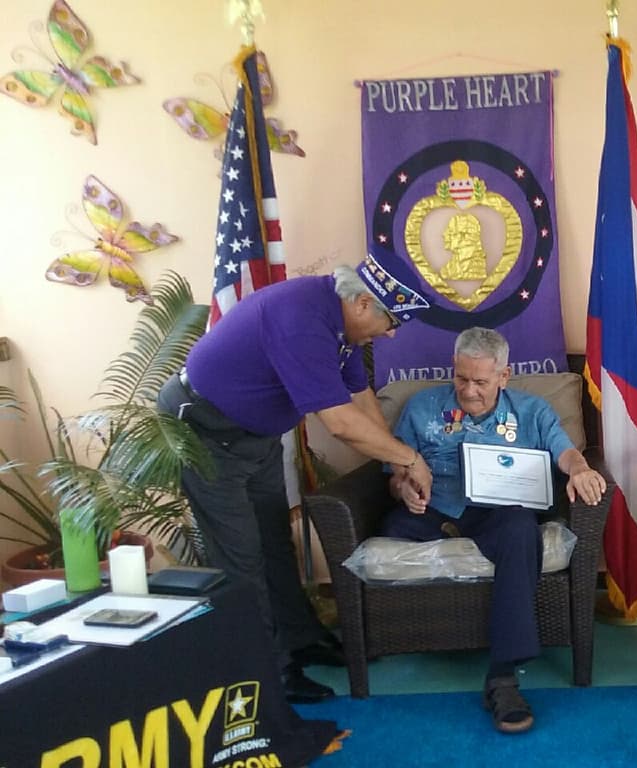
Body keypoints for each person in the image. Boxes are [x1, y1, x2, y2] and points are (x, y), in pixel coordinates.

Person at [156, 252, 436, 703]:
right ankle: (267, 672)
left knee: (274, 542)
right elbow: (340, 423)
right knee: (241, 558)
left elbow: (359, 396)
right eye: (392, 321)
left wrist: (398, 462)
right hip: (205, 433)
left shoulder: (341, 322)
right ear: (363, 303)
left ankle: (300, 639)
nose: (391, 333)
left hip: (256, 437)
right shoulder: (302, 319)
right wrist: (410, 457)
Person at [379, 326, 606, 734]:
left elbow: (566, 452)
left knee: (522, 531)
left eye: (481, 382)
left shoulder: (532, 411)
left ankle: (502, 678)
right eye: (461, 378)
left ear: (504, 376)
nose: (469, 392)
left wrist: (581, 470)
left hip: (498, 512)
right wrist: (403, 488)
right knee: (393, 523)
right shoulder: (422, 407)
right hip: (437, 508)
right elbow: (394, 472)